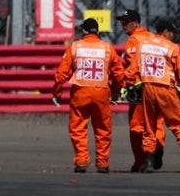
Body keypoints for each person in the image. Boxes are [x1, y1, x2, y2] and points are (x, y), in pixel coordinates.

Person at [124, 18, 180, 173]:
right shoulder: (171, 47)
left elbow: (131, 71)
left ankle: (148, 162)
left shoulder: (143, 44)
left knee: (149, 126)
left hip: (148, 88)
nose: (173, 36)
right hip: (167, 89)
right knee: (177, 125)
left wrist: (129, 86)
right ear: (166, 31)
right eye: (172, 33)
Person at [52, 18, 125, 173]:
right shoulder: (107, 48)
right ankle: (103, 163)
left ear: (84, 31)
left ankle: (81, 161)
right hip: (101, 92)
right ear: (97, 32)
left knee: (78, 128)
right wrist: (117, 91)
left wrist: (57, 92)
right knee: (103, 129)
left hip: (80, 92)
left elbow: (61, 74)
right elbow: (119, 74)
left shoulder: (74, 47)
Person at [116, 9, 166, 172]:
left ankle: (142, 160)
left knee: (137, 126)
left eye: (126, 22)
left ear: (135, 23)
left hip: (140, 89)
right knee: (157, 121)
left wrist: (125, 86)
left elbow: (132, 67)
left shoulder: (133, 41)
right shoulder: (153, 38)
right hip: (159, 86)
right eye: (122, 22)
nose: (123, 25)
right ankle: (157, 147)